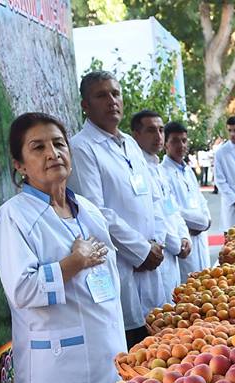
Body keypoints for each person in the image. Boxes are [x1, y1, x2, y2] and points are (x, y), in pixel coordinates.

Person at [0, 112, 126, 383]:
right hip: (58, 367)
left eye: (58, 143)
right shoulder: (14, 216)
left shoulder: (88, 210)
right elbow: (23, 289)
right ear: (20, 165)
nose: (52, 153)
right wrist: (72, 263)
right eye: (38, 147)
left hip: (108, 357)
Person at [69, 71, 166, 348]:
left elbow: (153, 200)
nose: (111, 101)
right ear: (85, 105)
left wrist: (156, 243)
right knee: (132, 349)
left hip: (152, 258)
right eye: (101, 95)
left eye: (115, 93)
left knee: (160, 344)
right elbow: (95, 211)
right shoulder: (82, 147)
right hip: (122, 266)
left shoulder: (131, 145)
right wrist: (141, 250)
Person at [130, 110, 191, 301]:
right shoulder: (137, 169)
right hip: (159, 252)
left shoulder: (158, 169)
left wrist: (184, 236)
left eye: (161, 130)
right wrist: (176, 245)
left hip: (174, 252)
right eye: (151, 130)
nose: (158, 136)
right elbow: (156, 215)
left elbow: (172, 209)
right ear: (136, 135)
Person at [160, 120, 211, 281]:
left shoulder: (188, 170)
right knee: (189, 286)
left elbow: (201, 200)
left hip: (200, 236)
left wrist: (207, 219)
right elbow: (172, 209)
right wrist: (200, 221)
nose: (181, 145)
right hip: (184, 236)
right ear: (165, 144)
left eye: (184, 140)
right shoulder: (163, 173)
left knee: (207, 284)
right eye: (175, 141)